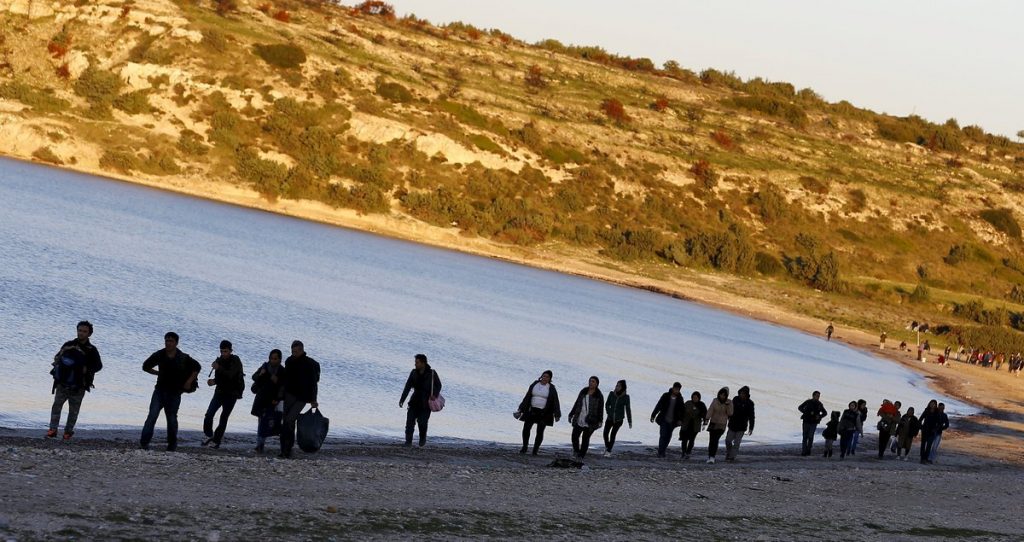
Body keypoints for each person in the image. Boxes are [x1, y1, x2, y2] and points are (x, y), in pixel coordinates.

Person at [140, 332, 200, 452]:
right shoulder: (160, 354)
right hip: (159, 391)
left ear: (176, 343)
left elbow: (197, 367)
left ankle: (172, 444)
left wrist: (189, 382)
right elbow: (145, 366)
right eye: (167, 340)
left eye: (171, 341)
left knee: (171, 418)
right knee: (152, 415)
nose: (168, 343)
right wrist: (157, 373)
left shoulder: (183, 357)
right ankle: (144, 443)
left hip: (175, 392)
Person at [47, 321, 103, 441]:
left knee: (73, 411)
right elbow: (57, 358)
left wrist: (86, 369)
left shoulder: (91, 350)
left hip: (79, 385)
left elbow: (99, 366)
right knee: (56, 406)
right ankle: (52, 429)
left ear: (89, 334)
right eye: (80, 330)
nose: (81, 333)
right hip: (62, 382)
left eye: (84, 331)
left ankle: (68, 432)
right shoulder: (68, 345)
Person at [280, 340, 319, 459]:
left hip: (302, 398)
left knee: (290, 420)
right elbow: (285, 379)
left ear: (302, 350)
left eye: (296, 351)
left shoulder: (309, 363)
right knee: (285, 422)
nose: (294, 353)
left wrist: (313, 400)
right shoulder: (289, 361)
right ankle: (284, 449)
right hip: (289, 395)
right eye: (293, 351)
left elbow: (313, 383)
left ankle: (288, 448)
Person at [202, 340, 244, 449]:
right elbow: (221, 379)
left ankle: (216, 441)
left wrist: (218, 368)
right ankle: (209, 435)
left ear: (230, 350)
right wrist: (213, 382)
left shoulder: (236, 360)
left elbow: (231, 375)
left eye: (226, 351)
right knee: (209, 414)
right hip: (220, 392)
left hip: (232, 393)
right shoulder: (219, 360)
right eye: (222, 351)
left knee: (223, 417)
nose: (224, 354)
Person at [399, 353, 442, 448]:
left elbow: (439, 385)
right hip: (414, 401)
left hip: (426, 404)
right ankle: (408, 442)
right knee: (409, 422)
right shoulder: (413, 373)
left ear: (423, 363)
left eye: (417, 362)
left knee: (422, 422)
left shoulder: (432, 373)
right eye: (415, 362)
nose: (415, 364)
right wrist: (402, 399)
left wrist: (434, 395)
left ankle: (422, 438)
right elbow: (408, 386)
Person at [517, 370, 561, 455]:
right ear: (541, 376)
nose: (545, 378)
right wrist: (521, 408)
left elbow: (555, 401)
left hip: (544, 412)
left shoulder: (551, 388)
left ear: (550, 379)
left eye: (547, 377)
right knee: (526, 429)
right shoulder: (534, 384)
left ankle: (535, 450)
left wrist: (557, 414)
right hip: (532, 410)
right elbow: (527, 397)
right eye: (544, 376)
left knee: (540, 431)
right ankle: (524, 447)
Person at [251, 349, 286, 453]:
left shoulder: (282, 371)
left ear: (280, 359)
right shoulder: (265, 366)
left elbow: (282, 387)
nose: (273, 360)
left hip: (272, 399)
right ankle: (260, 444)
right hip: (261, 397)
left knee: (267, 420)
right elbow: (254, 377)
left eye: (275, 358)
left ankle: (261, 443)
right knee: (261, 420)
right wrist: (260, 374)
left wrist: (278, 399)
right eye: (271, 358)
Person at [568, 376, 604, 462]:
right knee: (574, 436)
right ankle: (576, 451)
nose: (591, 383)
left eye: (593, 381)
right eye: (590, 381)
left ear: (597, 384)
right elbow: (577, 403)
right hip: (580, 417)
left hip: (591, 420)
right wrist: (571, 414)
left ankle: (581, 455)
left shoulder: (599, 395)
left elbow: (601, 408)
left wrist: (600, 420)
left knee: (585, 438)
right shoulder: (584, 391)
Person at [650, 382, 684, 458]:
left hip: (673, 421)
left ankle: (663, 451)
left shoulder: (680, 399)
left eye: (678, 389)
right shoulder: (666, 395)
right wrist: (653, 415)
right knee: (663, 435)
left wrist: (680, 420)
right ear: (673, 388)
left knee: (668, 436)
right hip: (663, 419)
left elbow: (682, 411)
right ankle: (660, 452)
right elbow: (658, 405)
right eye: (675, 389)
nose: (676, 390)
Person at [603, 380, 632, 457]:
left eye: (619, 385)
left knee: (612, 435)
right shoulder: (611, 394)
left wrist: (630, 421)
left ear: (622, 387)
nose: (616, 387)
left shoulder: (626, 397)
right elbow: (607, 404)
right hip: (609, 418)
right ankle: (607, 446)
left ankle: (608, 451)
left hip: (619, 420)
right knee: (605, 433)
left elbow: (628, 409)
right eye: (616, 385)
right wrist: (608, 412)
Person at [724, 386, 754, 461]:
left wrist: (751, 427)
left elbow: (751, 416)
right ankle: (729, 452)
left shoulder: (750, 403)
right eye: (741, 393)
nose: (742, 395)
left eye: (744, 394)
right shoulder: (735, 399)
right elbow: (730, 409)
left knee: (737, 443)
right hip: (732, 424)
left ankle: (732, 457)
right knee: (728, 440)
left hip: (742, 426)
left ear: (747, 394)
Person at [704, 387, 733, 464]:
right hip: (713, 423)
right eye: (721, 394)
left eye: (724, 395)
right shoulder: (715, 400)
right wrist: (707, 418)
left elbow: (730, 413)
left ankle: (712, 457)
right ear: (719, 394)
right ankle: (710, 456)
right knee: (711, 440)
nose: (722, 396)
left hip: (722, 425)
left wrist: (728, 405)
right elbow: (710, 410)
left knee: (715, 440)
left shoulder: (729, 402)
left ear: (726, 395)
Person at [679, 391, 707, 460]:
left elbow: (705, 414)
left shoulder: (701, 405)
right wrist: (680, 419)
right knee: (684, 439)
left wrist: (705, 421)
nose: (695, 399)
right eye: (693, 397)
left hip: (695, 425)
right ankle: (683, 452)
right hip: (686, 424)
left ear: (699, 398)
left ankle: (688, 452)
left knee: (691, 439)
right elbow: (681, 411)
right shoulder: (688, 403)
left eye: (696, 397)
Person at [798, 391, 828, 456]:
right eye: (817, 395)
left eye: (819, 396)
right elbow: (800, 407)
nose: (818, 397)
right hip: (806, 421)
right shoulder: (808, 402)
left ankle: (808, 450)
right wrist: (806, 412)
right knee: (805, 436)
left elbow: (825, 413)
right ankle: (804, 451)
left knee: (810, 436)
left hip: (814, 422)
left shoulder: (819, 404)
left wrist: (819, 416)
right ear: (813, 395)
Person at [918, 399, 940, 464]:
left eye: (934, 404)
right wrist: (921, 427)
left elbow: (939, 423)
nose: (932, 405)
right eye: (931, 403)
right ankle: (922, 459)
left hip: (932, 431)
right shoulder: (926, 410)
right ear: (929, 404)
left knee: (929, 446)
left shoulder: (937, 412)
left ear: (936, 405)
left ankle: (926, 458)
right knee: (923, 445)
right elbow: (920, 419)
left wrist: (935, 429)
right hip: (925, 430)